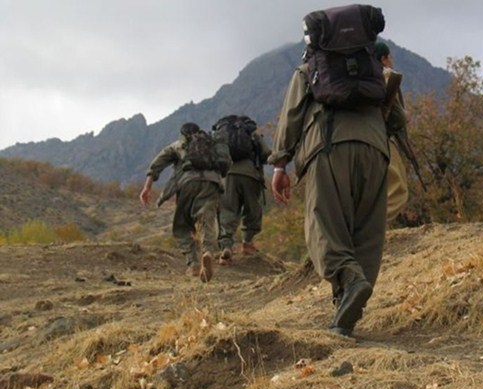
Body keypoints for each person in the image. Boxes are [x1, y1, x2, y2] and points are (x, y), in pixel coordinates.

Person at [269, 46, 389, 337]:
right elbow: (396, 116)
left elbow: (292, 115)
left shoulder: (309, 69)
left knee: (323, 225)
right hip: (376, 150)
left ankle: (350, 281)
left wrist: (280, 164)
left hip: (328, 146)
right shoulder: (373, 68)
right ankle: (345, 312)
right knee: (366, 232)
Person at [139, 122, 230, 283]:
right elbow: (226, 164)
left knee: (181, 226)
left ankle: (193, 263)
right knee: (207, 220)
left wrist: (147, 187)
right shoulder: (210, 143)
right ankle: (208, 251)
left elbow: (157, 165)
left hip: (188, 183)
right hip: (212, 183)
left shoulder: (178, 145)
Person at [217, 117, 272, 264]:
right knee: (252, 209)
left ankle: (226, 247)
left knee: (228, 210)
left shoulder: (223, 136)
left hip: (227, 175)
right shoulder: (252, 133)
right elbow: (266, 153)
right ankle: (247, 243)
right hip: (250, 175)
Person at [375, 41, 410, 224]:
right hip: (380, 139)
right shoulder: (386, 76)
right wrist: (404, 115)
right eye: (389, 56)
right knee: (398, 190)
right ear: (383, 59)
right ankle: (371, 231)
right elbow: (397, 118)